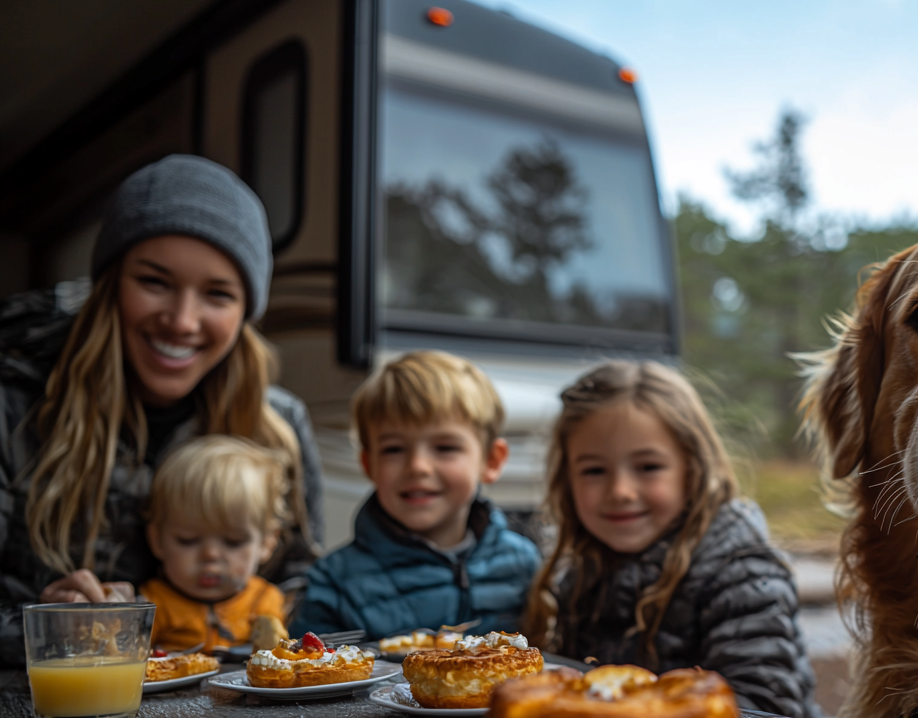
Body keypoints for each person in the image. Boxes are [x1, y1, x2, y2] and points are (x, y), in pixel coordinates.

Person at [0, 154, 322, 666]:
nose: (182, 320)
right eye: (155, 282)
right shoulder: (15, 404)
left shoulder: (280, 425)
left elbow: (303, 584)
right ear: (110, 285)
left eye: (218, 293)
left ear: (245, 312)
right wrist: (46, 624)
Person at [523, 361, 819, 718]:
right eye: (594, 471)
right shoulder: (583, 569)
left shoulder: (741, 568)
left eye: (648, 467)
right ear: (567, 481)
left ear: (691, 469)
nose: (620, 491)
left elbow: (766, 709)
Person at [294, 351, 540, 639]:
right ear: (368, 464)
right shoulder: (334, 582)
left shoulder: (523, 564)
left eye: (445, 448)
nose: (417, 467)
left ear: (491, 461)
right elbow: (311, 677)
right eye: (394, 449)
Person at [142, 436, 291, 653]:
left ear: (267, 543)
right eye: (188, 540)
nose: (210, 555)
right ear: (156, 540)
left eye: (233, 542)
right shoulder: (151, 605)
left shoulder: (265, 601)